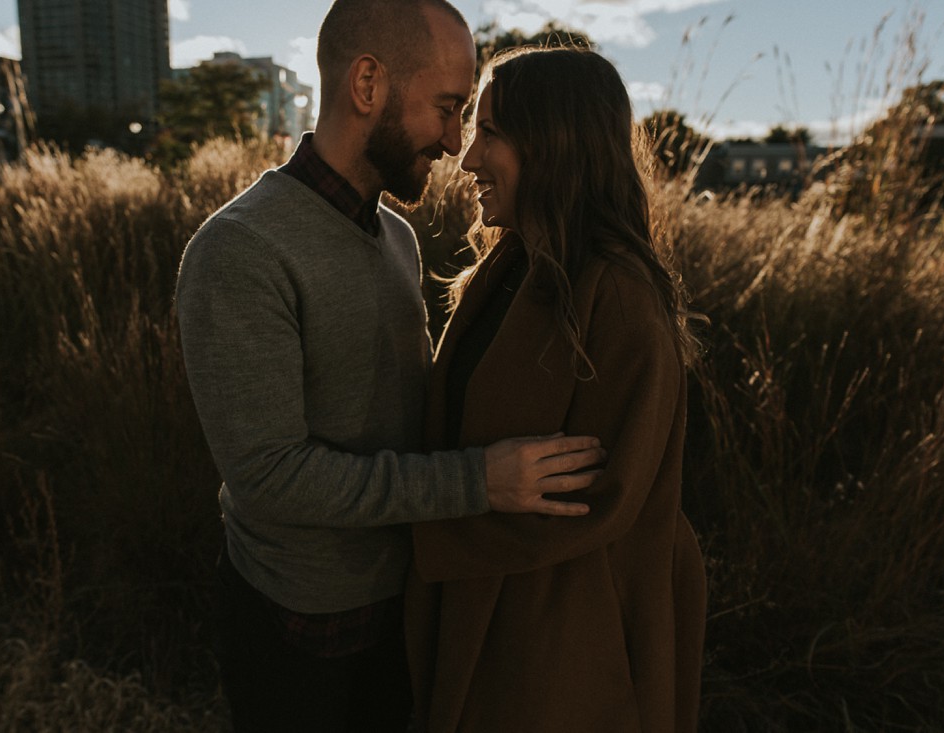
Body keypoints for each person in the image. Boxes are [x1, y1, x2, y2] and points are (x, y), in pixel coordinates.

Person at [174, 3, 605, 731]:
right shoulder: (241, 250)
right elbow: (271, 476)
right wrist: (480, 480)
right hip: (300, 631)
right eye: (446, 107)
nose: (454, 140)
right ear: (367, 83)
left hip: (405, 601)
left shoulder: (398, 236)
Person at [405, 46, 708, 732]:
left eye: (492, 133)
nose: (469, 156)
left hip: (560, 650)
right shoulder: (507, 268)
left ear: (556, 143)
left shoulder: (618, 293)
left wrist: (414, 520)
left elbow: (598, 499)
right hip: (484, 616)